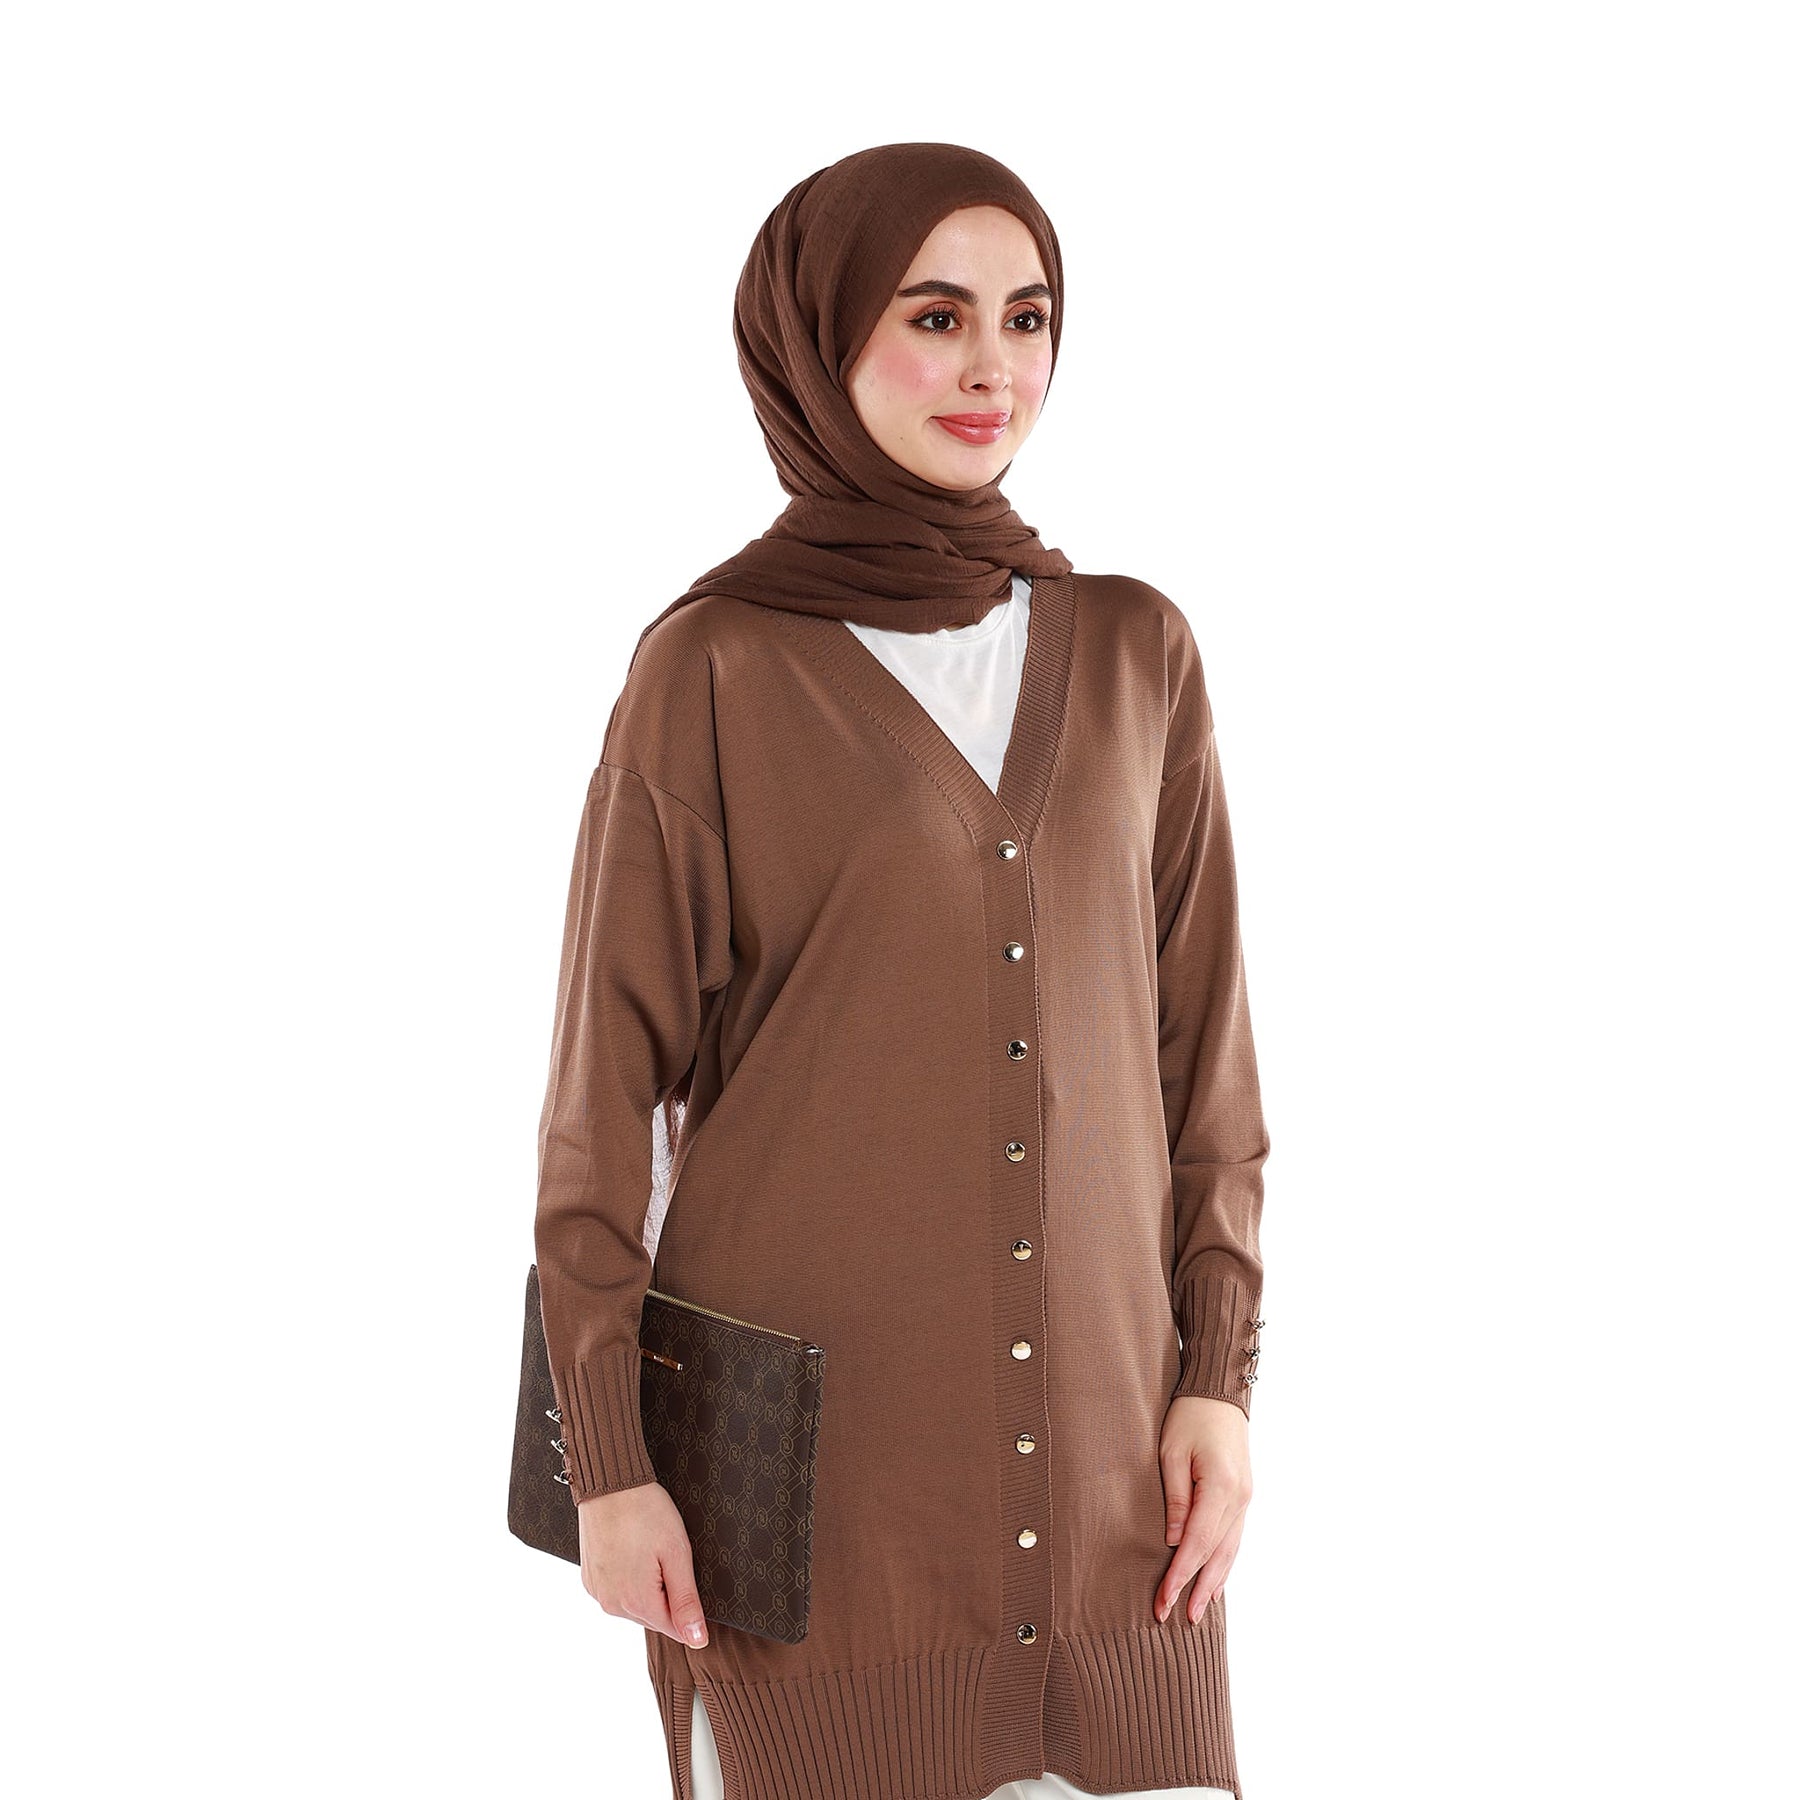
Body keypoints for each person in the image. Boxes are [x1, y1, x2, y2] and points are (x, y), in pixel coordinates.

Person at [533, 142, 1269, 1800]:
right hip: (810, 1504)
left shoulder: (1137, 650)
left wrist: (1218, 1381)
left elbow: (1204, 1061)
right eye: (936, 317)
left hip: (1114, 1493)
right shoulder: (713, 669)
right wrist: (610, 1462)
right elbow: (600, 1109)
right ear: (821, 341)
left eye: (1028, 316)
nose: (994, 365)